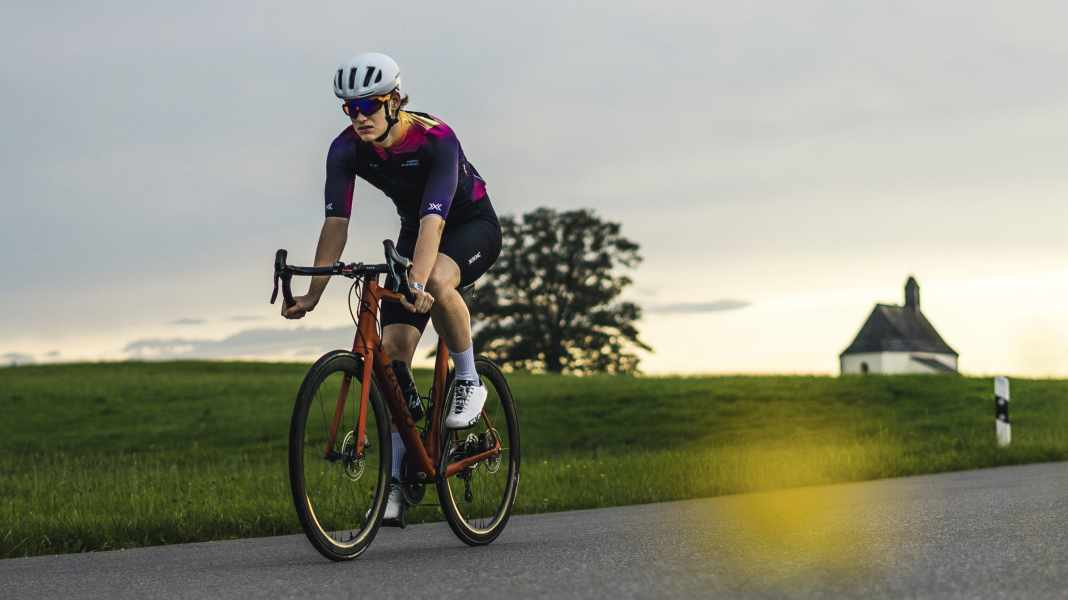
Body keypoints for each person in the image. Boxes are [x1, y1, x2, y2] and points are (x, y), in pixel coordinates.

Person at [281, 52, 502, 522]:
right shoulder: (345, 149)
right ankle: (399, 483)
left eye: (369, 105)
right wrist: (314, 292)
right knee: (394, 350)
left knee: (439, 282)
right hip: (413, 229)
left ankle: (468, 379)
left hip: (467, 225)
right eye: (350, 108)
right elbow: (336, 224)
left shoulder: (436, 138)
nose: (359, 116)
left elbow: (433, 223)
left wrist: (418, 283)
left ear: (395, 100)